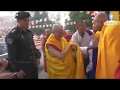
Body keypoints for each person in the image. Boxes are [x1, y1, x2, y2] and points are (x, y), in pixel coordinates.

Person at [5, 11, 41, 79]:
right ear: (18, 21)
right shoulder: (12, 35)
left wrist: (37, 57)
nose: (27, 22)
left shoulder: (29, 32)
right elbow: (11, 55)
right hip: (23, 67)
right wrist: (18, 70)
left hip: (33, 64)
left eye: (28, 20)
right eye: (25, 20)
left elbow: (33, 47)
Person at [87, 13, 108, 79]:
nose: (93, 26)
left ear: (99, 22)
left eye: (94, 23)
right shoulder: (102, 32)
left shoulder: (109, 31)